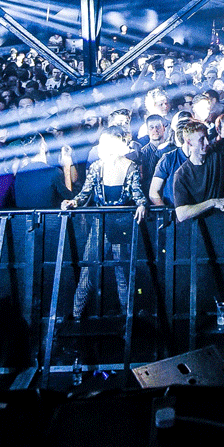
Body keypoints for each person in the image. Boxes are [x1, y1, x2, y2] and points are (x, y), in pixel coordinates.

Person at [62, 125, 147, 319]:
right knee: (87, 271)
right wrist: (73, 202)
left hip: (123, 226)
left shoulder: (130, 166)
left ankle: (128, 318)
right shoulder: (96, 167)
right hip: (100, 225)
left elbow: (137, 193)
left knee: (122, 273)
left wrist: (141, 205)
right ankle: (76, 316)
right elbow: (84, 193)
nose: (102, 147)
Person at [170, 122, 224, 222]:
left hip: (221, 223)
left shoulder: (216, 154)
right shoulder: (182, 174)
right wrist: (212, 202)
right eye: (201, 139)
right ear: (189, 142)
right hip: (195, 230)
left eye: (207, 137)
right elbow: (181, 214)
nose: (207, 142)